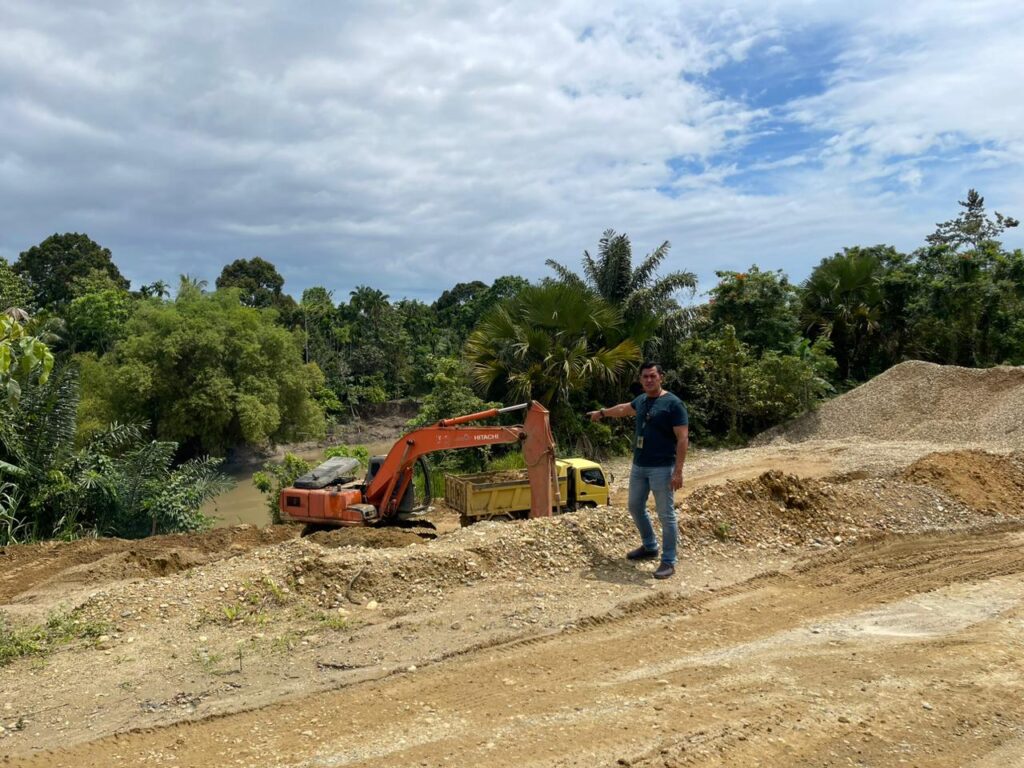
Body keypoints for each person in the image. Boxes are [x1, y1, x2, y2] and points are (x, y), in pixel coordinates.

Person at [587, 362, 688, 579]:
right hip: (639, 465)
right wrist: (602, 413)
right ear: (641, 379)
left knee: (666, 514)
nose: (649, 380)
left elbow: (682, 438)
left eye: (653, 376)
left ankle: (669, 561)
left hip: (662, 467)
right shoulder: (642, 400)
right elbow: (624, 409)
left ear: (661, 377)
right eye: (645, 377)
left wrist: (678, 471)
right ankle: (650, 546)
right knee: (634, 506)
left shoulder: (673, 404)